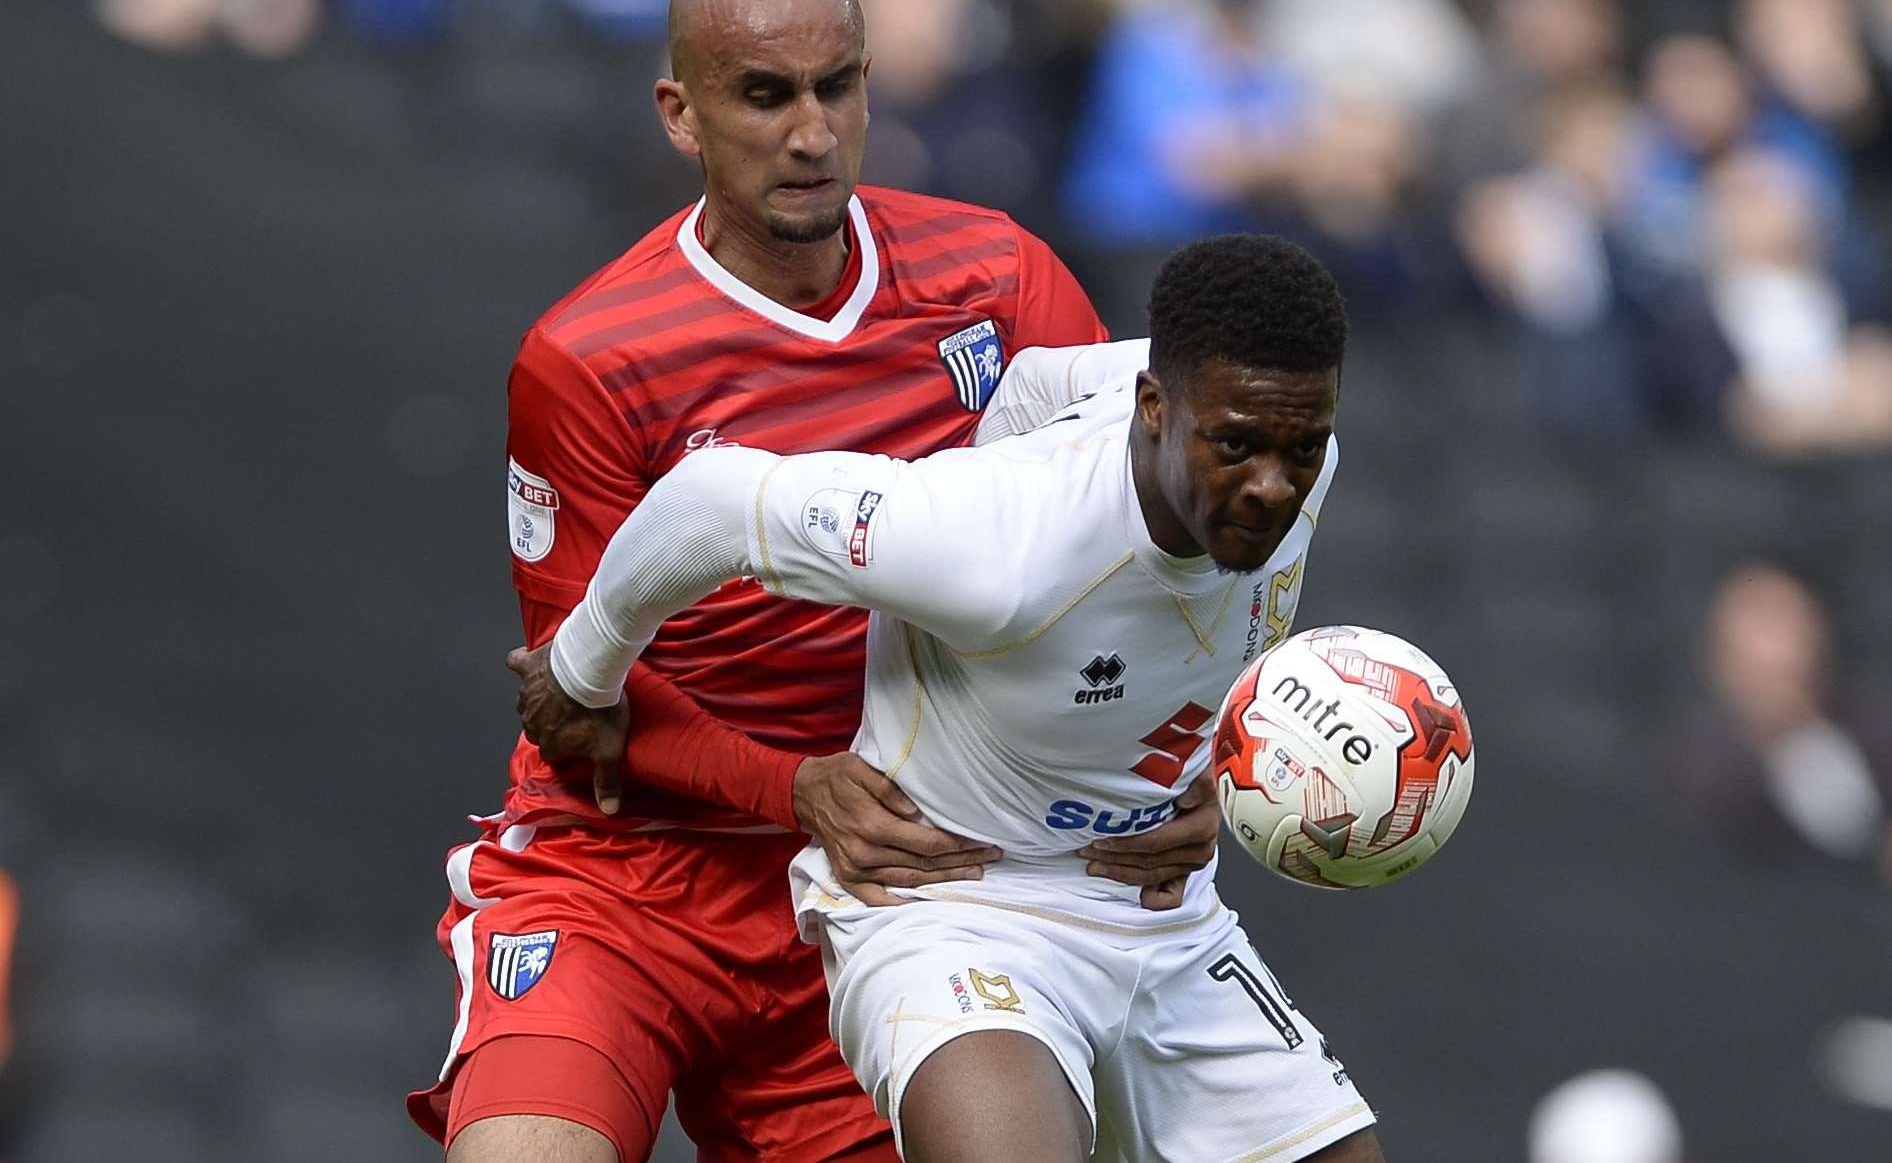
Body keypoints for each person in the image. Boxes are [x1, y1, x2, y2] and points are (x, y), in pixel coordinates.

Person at [407, 0, 1223, 1163]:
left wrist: (1188, 768)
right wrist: (790, 787)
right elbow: (578, 701)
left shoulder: (996, 281)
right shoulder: (587, 357)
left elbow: (1132, 566)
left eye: (836, 85)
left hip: (894, 893)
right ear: (680, 114)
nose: (810, 132)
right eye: (763, 94)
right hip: (626, 881)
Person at [518, 234, 1387, 1163]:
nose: (1271, 485)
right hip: (958, 904)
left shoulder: (1285, 445)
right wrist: (582, 670)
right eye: (1238, 447)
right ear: (1154, 410)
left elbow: (1048, 380)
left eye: (1302, 445)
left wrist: (1220, 765)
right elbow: (710, 501)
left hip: (1166, 915)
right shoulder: (988, 539)